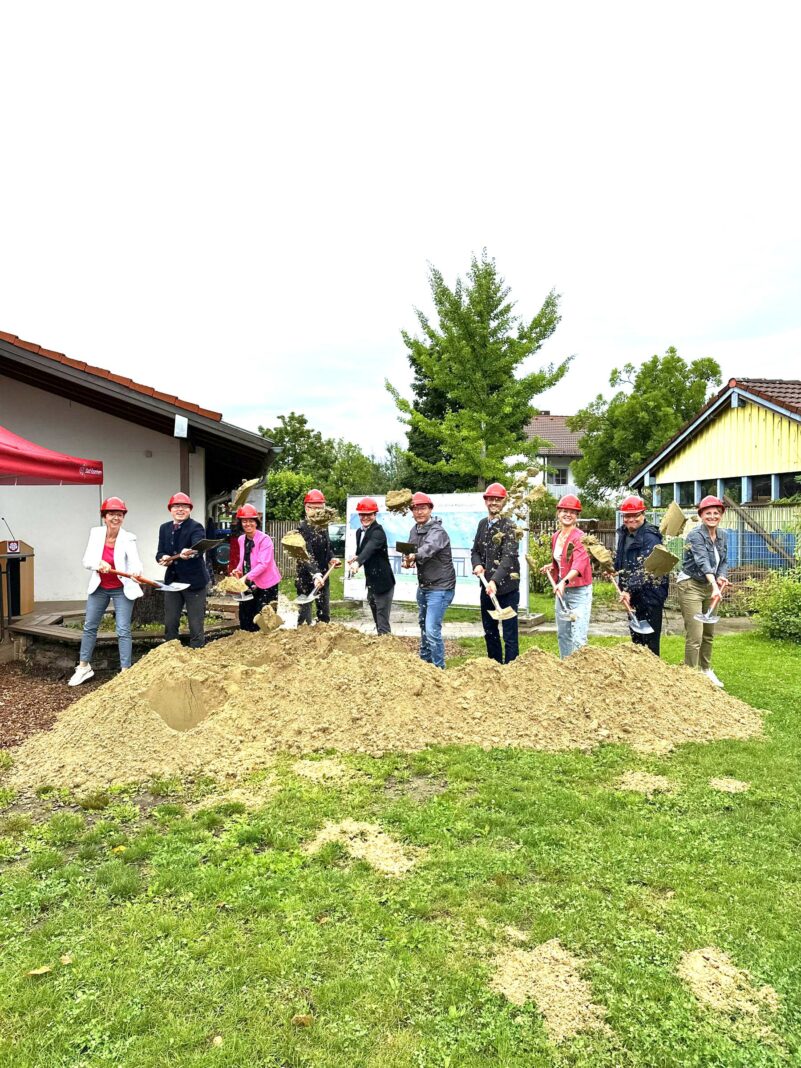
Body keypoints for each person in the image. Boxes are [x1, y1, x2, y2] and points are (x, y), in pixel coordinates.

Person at [69, 496, 143, 685]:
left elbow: (136, 563)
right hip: (100, 587)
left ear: (123, 518)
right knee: (90, 626)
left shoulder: (128, 537)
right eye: (111, 514)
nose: (115, 518)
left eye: (119, 514)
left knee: (123, 629)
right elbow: (87, 561)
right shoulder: (96, 534)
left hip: (121, 589)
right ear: (104, 517)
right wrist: (98, 563)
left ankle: (125, 671)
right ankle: (84, 667)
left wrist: (135, 571)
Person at [677, 495, 730, 687]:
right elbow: (702, 561)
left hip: (710, 586)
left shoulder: (723, 535)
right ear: (701, 515)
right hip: (691, 585)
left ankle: (706, 670)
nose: (712, 516)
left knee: (709, 632)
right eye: (708, 513)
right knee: (696, 635)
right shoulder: (695, 536)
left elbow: (723, 561)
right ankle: (690, 677)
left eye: (716, 513)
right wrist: (715, 585)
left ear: (721, 515)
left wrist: (721, 576)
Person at [402, 491, 456, 669]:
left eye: (423, 508)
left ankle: (439, 669)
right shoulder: (414, 530)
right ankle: (424, 664)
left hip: (440, 587)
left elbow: (428, 548)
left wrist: (414, 556)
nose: (419, 512)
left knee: (432, 630)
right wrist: (407, 560)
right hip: (424, 586)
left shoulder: (437, 531)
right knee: (423, 625)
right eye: (416, 509)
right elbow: (410, 550)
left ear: (430, 509)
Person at [471, 481, 520, 664]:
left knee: (509, 634)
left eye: (497, 500)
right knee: (490, 631)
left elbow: (509, 557)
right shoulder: (483, 524)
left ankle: (511, 670)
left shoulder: (511, 526)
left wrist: (494, 581)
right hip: (486, 589)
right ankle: (494, 666)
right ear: (486, 501)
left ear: (504, 502)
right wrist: (477, 565)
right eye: (490, 499)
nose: (494, 503)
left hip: (507, 589)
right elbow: (475, 550)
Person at [614, 495, 669, 656]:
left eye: (635, 515)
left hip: (651, 594)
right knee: (636, 640)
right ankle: (639, 678)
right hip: (633, 595)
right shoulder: (624, 533)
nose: (631, 519)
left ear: (643, 514)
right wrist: (613, 569)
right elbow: (622, 559)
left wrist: (628, 590)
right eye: (627, 516)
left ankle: (653, 676)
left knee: (650, 642)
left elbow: (646, 569)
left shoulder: (650, 537)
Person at [542, 494, 593, 659]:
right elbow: (560, 561)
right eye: (564, 511)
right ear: (558, 513)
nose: (567, 514)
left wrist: (563, 581)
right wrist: (552, 567)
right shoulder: (556, 537)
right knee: (563, 634)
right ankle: (565, 667)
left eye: (572, 511)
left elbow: (579, 565)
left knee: (578, 637)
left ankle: (579, 673)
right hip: (563, 590)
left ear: (577, 515)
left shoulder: (581, 538)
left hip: (579, 592)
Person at [156, 491, 209, 648]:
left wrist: (190, 552)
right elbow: (159, 551)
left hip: (194, 583)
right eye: (176, 506)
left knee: (195, 623)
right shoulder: (164, 528)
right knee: (170, 621)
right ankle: (170, 653)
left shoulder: (196, 527)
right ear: (170, 509)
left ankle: (196, 654)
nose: (180, 509)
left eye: (184, 506)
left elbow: (198, 547)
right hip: (172, 582)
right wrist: (163, 557)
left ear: (190, 509)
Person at [230, 503, 281, 632]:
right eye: (244, 521)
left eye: (251, 521)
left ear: (256, 522)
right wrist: (238, 570)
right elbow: (243, 559)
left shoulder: (265, 540)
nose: (248, 524)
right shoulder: (242, 539)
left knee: (264, 620)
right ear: (241, 523)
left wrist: (246, 578)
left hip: (266, 584)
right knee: (246, 617)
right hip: (249, 583)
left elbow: (263, 564)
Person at [348, 497, 395, 635]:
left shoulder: (378, 532)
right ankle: (381, 644)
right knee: (376, 618)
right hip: (371, 582)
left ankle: (387, 647)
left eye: (369, 514)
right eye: (362, 514)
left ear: (375, 514)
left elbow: (371, 548)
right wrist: (357, 558)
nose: (365, 517)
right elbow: (364, 551)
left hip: (383, 583)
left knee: (382, 620)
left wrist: (358, 562)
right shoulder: (359, 532)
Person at [295, 489, 341, 625]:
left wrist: (331, 557)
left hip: (323, 575)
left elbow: (327, 547)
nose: (317, 512)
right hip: (306, 577)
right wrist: (315, 574)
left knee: (324, 614)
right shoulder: (302, 528)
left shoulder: (323, 525)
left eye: (320, 508)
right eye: (313, 508)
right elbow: (306, 554)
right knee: (304, 617)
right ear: (306, 508)